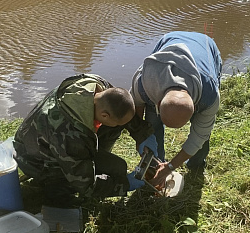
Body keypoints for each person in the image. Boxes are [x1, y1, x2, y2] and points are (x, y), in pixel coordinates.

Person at [13, 73, 153, 208]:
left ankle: (90, 157)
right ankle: (54, 192)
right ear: (104, 115)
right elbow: (87, 185)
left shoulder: (97, 85)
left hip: (52, 140)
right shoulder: (71, 135)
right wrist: (124, 185)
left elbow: (119, 103)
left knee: (116, 126)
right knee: (67, 187)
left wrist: (143, 134)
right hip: (33, 158)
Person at [130, 31, 222, 187]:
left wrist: (171, 167)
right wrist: (142, 138)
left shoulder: (210, 96)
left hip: (205, 46)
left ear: (195, 108)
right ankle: (156, 163)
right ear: (157, 104)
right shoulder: (144, 83)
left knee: (203, 137)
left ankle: (196, 163)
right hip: (169, 39)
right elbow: (138, 109)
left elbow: (199, 135)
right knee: (152, 124)